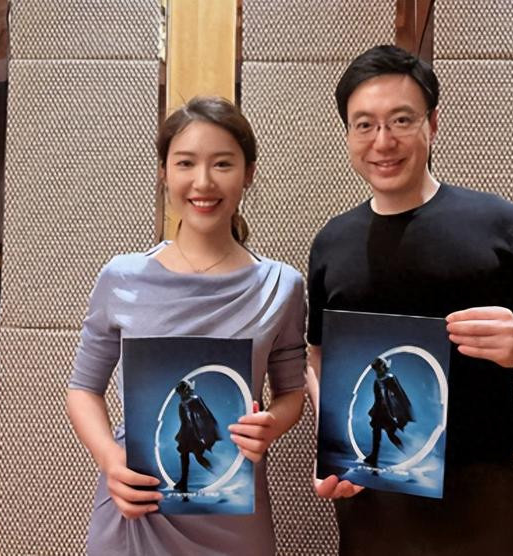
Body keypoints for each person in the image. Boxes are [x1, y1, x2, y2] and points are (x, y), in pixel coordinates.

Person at [306, 45, 513, 556]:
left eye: (401, 120)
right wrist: (336, 444)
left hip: (481, 495)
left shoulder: (500, 225)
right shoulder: (331, 242)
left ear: (432, 122)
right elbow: (318, 356)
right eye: (364, 125)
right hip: (373, 498)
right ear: (347, 134)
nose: (382, 141)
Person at [67, 96, 306, 556]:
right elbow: (82, 389)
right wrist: (110, 459)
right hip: (136, 505)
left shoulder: (282, 286)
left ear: (248, 173)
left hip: (234, 510)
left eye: (222, 163)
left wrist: (271, 424)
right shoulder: (121, 277)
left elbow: (291, 394)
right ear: (163, 172)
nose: (203, 182)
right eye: (185, 163)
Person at [364, 357, 414, 468]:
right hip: (380, 412)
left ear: (384, 368)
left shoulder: (390, 379)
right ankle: (374, 457)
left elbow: (400, 396)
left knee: (391, 434)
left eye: (379, 367)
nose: (378, 370)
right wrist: (374, 413)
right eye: (376, 368)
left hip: (390, 413)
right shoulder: (377, 382)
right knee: (376, 432)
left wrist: (401, 414)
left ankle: (410, 455)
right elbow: (378, 399)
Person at [173, 380, 220, 492]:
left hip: (196, 433)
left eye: (182, 391)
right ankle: (183, 482)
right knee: (184, 455)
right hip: (187, 434)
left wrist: (204, 435)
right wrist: (180, 435)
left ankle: (219, 474)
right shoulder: (181, 404)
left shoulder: (195, 400)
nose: (181, 394)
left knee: (199, 457)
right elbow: (184, 421)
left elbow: (206, 416)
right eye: (179, 392)